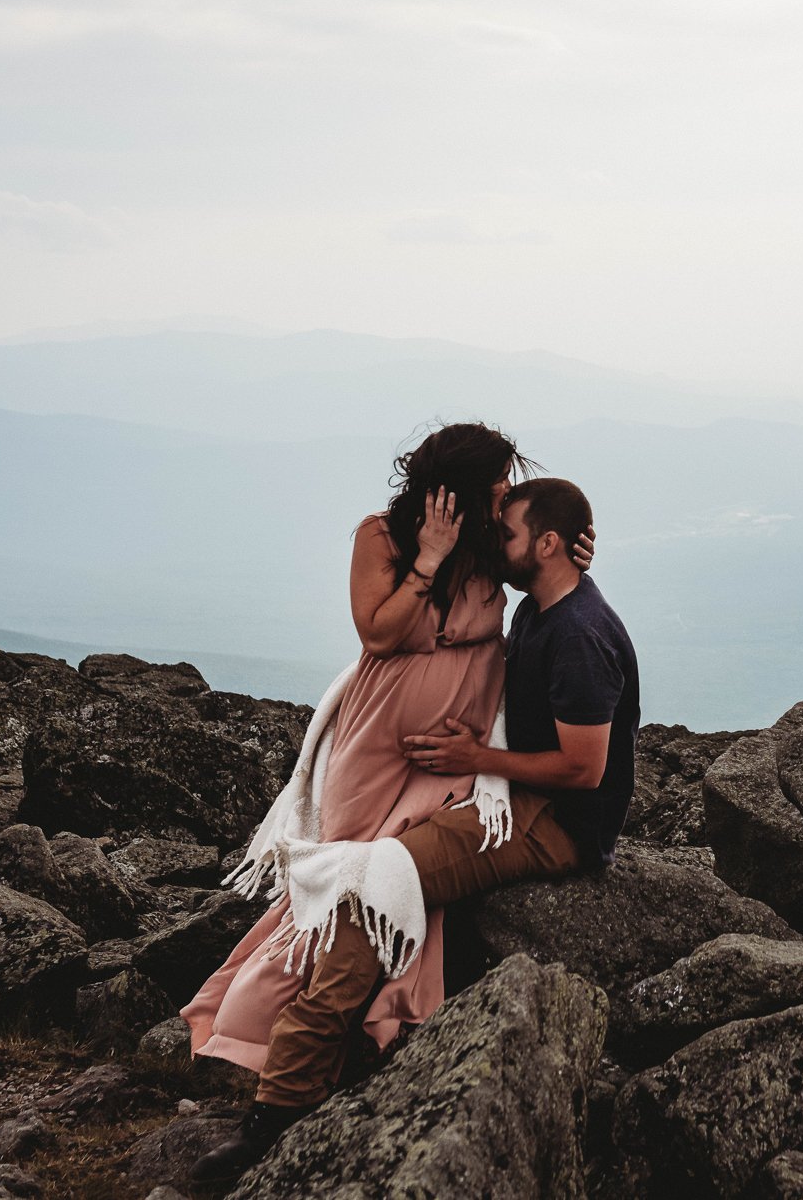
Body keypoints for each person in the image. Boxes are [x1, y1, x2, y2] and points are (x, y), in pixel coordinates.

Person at [188, 470, 637, 1180]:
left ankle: (281, 1104)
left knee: (380, 876)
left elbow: (586, 769)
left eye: (511, 532)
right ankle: (330, 1057)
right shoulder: (542, 601)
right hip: (513, 794)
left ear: (545, 545)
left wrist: (473, 756)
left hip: (554, 822)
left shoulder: (580, 633)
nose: (499, 541)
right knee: (377, 865)